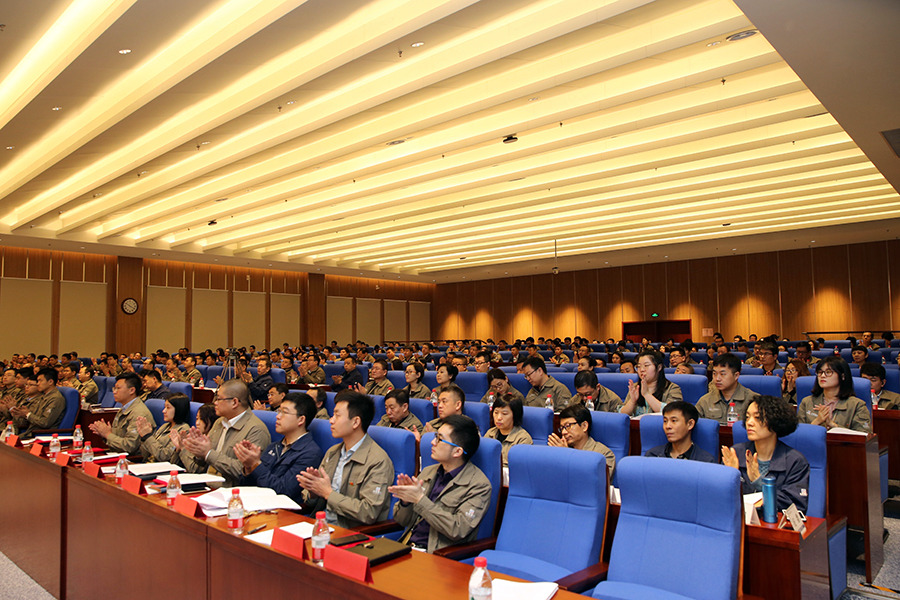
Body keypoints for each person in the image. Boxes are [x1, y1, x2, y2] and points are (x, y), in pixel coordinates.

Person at [391, 414, 491, 553]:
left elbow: (458, 529)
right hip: (407, 546)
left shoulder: (478, 486)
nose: (433, 442)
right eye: (435, 436)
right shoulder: (428, 472)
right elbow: (403, 521)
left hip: (437, 555)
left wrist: (420, 500)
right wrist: (405, 502)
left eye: (439, 439)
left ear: (457, 451)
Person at [297, 391, 394, 529]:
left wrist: (328, 493)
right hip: (320, 525)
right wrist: (313, 491)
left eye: (337, 415)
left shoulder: (378, 461)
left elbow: (368, 512)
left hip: (349, 533)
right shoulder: (333, 452)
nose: (331, 420)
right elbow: (311, 500)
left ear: (355, 422)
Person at [175, 379, 272, 487]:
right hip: (206, 485)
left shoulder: (256, 430)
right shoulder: (219, 422)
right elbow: (203, 464)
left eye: (219, 399)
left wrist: (208, 454)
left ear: (234, 402)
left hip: (231, 492)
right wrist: (199, 452)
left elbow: (244, 471)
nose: (215, 403)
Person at [722, 395, 810, 513]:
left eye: (757, 417)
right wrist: (731, 477)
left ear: (775, 421)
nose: (749, 423)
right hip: (741, 521)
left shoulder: (795, 461)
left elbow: (796, 506)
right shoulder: (736, 454)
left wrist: (759, 483)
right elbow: (720, 498)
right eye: (747, 417)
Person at [236, 393, 323, 505]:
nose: (278, 416)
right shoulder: (274, 446)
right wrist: (248, 467)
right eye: (278, 411)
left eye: (284, 412)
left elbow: (283, 492)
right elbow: (247, 487)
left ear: (301, 420)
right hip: (256, 504)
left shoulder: (310, 454)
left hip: (282, 510)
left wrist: (256, 465)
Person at [798, 357, 870, 432]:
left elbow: (863, 435)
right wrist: (816, 422)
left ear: (842, 376)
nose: (822, 375)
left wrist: (834, 425)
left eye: (828, 372)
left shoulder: (857, 405)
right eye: (820, 372)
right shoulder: (807, 402)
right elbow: (798, 434)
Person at [89, 372, 156, 453]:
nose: (114, 392)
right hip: (118, 453)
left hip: (132, 458)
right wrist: (103, 432)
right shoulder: (124, 408)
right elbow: (118, 439)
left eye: (118, 388)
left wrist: (107, 434)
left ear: (132, 390)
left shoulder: (139, 414)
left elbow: (130, 446)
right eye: (114, 388)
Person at [547, 404, 616, 477]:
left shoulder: (604, 454)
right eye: (562, 428)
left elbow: (596, 479)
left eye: (568, 426)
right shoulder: (560, 450)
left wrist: (567, 455)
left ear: (584, 426)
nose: (564, 432)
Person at [644, 401, 716, 462]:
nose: (667, 426)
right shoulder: (653, 456)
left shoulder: (705, 461)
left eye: (674, 421)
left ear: (690, 424)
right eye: (665, 421)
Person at [695, 354, 755, 424]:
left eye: (722, 374)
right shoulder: (705, 401)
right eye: (714, 373)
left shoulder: (753, 400)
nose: (717, 379)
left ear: (736, 375)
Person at [9, 368, 67, 438]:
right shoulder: (43, 397)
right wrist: (20, 414)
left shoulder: (55, 398)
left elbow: (45, 423)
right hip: (30, 432)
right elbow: (31, 419)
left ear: (50, 382)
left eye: (40, 380)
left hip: (41, 435)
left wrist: (28, 414)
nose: (38, 383)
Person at [620, 350, 682, 416]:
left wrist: (647, 395)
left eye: (646, 365)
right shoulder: (635, 387)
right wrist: (632, 401)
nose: (642, 370)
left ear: (659, 367)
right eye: (638, 366)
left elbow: (673, 412)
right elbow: (622, 415)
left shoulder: (672, 388)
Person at [136, 393, 191, 463]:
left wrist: (148, 437)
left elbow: (164, 456)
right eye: (164, 407)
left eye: (168, 408)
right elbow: (145, 455)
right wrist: (144, 438)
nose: (164, 411)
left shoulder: (183, 430)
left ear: (179, 409)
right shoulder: (164, 426)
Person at [484, 397, 532, 467]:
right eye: (496, 412)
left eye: (504, 414)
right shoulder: (490, 433)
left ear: (515, 415)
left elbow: (519, 467)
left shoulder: (523, 439)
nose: (499, 418)